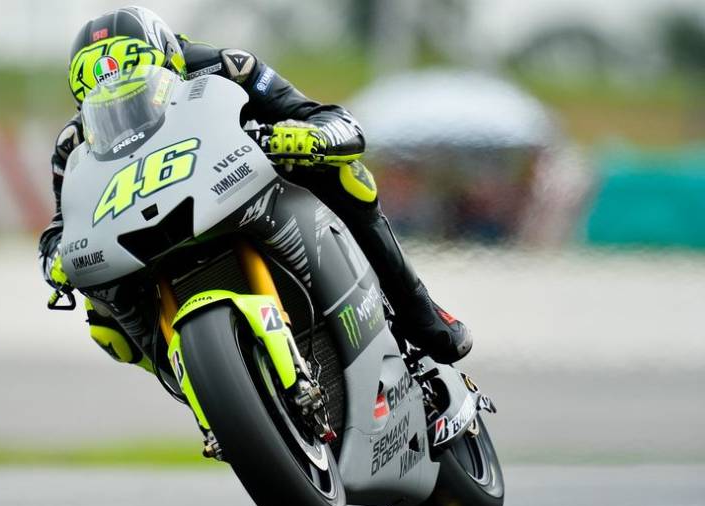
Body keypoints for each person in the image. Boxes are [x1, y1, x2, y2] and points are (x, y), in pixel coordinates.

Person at [38, 6, 471, 370]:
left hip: (247, 188)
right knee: (101, 320)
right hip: (149, 229)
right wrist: (57, 259)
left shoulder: (227, 66)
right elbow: (61, 228)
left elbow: (334, 120)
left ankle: (417, 309)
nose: (123, 105)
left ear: (170, 59)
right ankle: (196, 385)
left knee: (346, 175)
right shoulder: (73, 144)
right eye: (105, 97)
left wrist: (306, 137)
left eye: (137, 83)